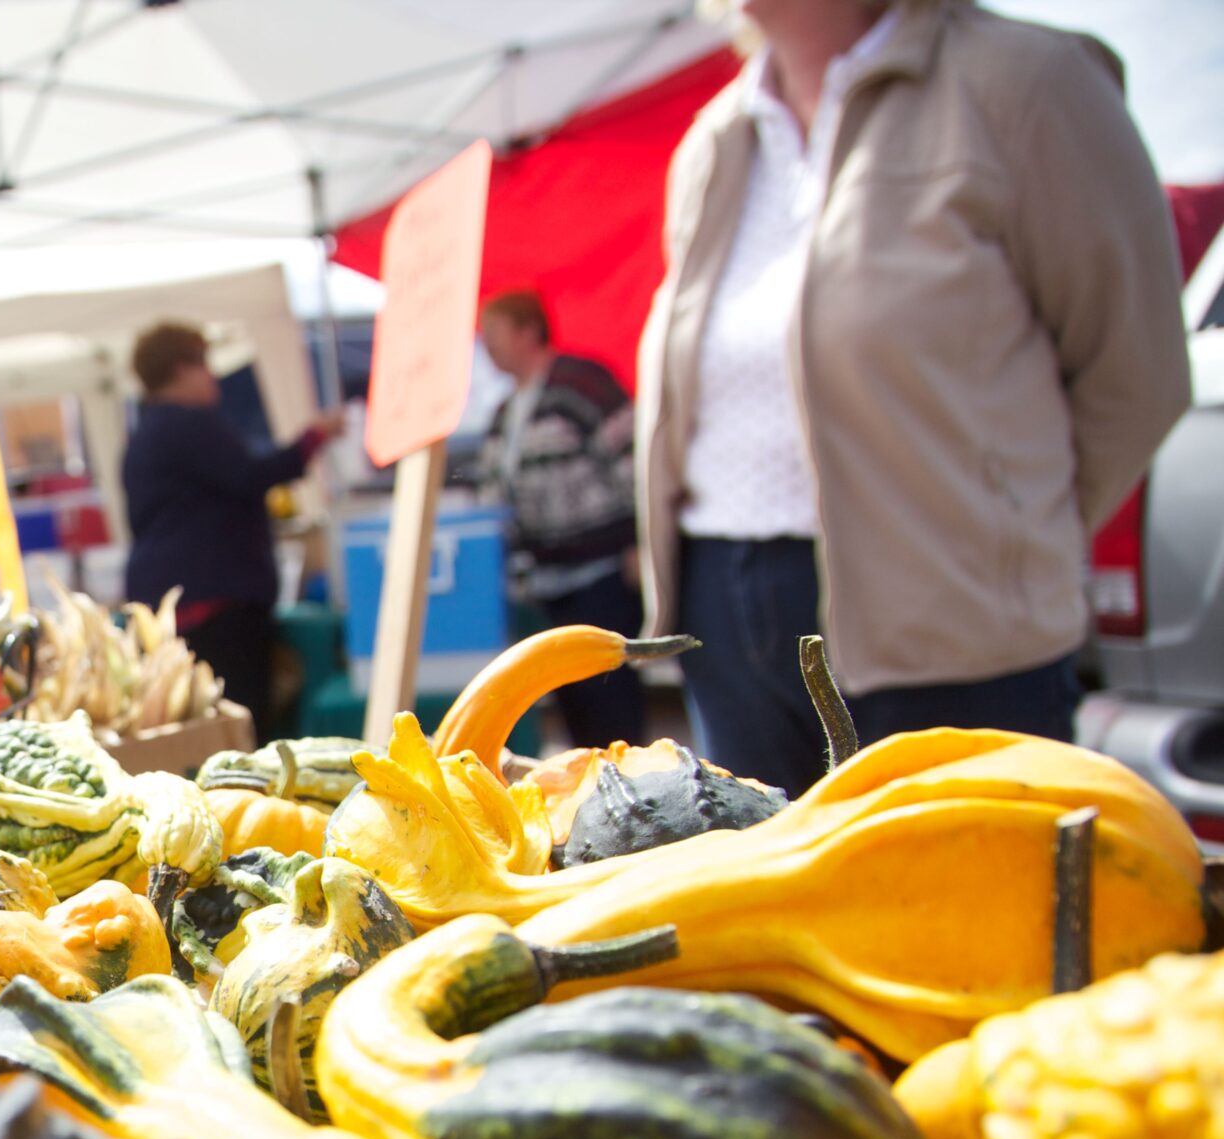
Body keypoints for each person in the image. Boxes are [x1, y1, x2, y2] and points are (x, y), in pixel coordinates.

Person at [637, 0, 1191, 793]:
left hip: (953, 634)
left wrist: (1006, 546)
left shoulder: (1026, 84)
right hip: (727, 625)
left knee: (964, 914)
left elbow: (1136, 374)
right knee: (764, 914)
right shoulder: (716, 138)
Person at [120, 320, 340, 726]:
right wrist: (313, 439)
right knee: (240, 721)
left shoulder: (144, 434)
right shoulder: (189, 423)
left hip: (172, 603)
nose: (211, 377)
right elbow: (251, 474)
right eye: (204, 364)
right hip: (214, 607)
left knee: (194, 723)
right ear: (181, 369)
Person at [477, 289, 647, 749]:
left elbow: (632, 458)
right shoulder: (504, 412)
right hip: (544, 582)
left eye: (493, 331)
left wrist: (641, 539)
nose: (485, 343)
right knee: (572, 706)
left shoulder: (581, 384)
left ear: (529, 331)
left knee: (610, 700)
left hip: (601, 573)